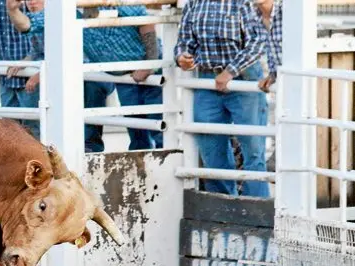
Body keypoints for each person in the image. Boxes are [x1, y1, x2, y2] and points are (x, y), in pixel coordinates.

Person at [174, 0, 269, 198]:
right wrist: (182, 57)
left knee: (252, 147)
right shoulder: (194, 3)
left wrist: (230, 72)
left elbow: (258, 42)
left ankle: (258, 206)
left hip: (244, 78)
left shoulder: (244, 3)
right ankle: (222, 205)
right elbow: (185, 41)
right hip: (207, 80)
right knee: (210, 148)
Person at [6, 0, 115, 150]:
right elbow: (37, 50)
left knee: (88, 124)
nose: (32, 2)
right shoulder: (43, 18)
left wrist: (40, 74)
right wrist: (24, 62)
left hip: (90, 75)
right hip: (72, 77)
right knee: (69, 121)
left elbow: (75, 54)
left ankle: (90, 157)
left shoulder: (60, 15)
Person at [82, 5, 164, 150]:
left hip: (147, 69)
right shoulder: (72, 13)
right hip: (122, 74)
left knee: (158, 120)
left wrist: (149, 64)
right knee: (135, 124)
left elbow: (144, 19)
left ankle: (165, 159)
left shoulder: (113, 4)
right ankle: (141, 163)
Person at [0, 0, 39, 138]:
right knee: (9, 127)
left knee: (34, 127)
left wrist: (30, 60)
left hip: (30, 71)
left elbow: (39, 27)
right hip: (5, 71)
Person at [253, 0, 282, 93]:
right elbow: (272, 48)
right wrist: (273, 74)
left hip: (308, 81)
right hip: (284, 82)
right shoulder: (254, 16)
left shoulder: (287, 11)